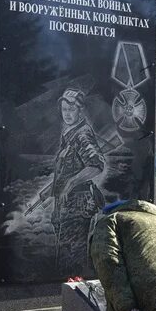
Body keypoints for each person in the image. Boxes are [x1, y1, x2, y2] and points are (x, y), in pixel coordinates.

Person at [51, 88, 105, 273]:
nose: (67, 113)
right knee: (66, 253)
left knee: (72, 257)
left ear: (80, 110)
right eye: (64, 109)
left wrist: (71, 183)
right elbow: (69, 168)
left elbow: (97, 164)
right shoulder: (70, 134)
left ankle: (74, 295)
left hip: (78, 204)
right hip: (67, 204)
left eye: (71, 109)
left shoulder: (82, 134)